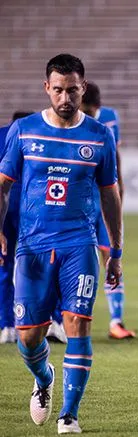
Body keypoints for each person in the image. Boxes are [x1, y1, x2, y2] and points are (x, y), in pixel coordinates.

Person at [0, 53, 122, 434]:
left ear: (82, 88)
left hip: (79, 245)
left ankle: (70, 413)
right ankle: (44, 376)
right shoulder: (24, 131)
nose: (65, 97)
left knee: (78, 324)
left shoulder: (100, 136)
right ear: (46, 89)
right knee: (28, 336)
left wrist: (115, 250)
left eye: (72, 90)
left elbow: (110, 196)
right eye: (58, 90)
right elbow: (2, 187)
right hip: (32, 247)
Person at [77, 82, 134, 340]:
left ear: (97, 107)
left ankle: (116, 321)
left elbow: (115, 156)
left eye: (90, 111)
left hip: (104, 198)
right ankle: (71, 318)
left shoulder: (110, 119)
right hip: (81, 202)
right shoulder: (73, 124)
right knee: (79, 259)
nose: (86, 116)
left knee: (110, 255)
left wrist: (118, 189)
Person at [0, 111, 33, 344]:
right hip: (32, 208)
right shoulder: (37, 133)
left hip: (5, 207)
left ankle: (6, 325)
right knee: (40, 265)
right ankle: (49, 322)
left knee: (4, 265)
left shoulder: (3, 136)